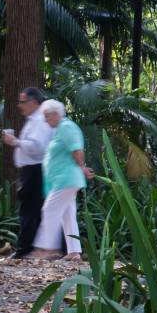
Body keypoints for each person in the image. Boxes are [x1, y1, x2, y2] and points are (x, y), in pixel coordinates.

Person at [31, 100, 92, 262]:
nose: (45, 120)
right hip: (63, 179)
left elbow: (77, 149)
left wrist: (82, 168)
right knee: (67, 215)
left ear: (55, 114)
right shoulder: (60, 129)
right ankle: (74, 252)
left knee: (50, 210)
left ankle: (48, 249)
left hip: (67, 179)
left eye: (47, 116)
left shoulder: (66, 127)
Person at [1, 87, 53, 259]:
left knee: (29, 209)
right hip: (32, 169)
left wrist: (15, 141)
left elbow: (37, 147)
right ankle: (31, 248)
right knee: (32, 208)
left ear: (33, 102)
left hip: (36, 169)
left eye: (22, 102)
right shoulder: (34, 119)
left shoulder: (39, 120)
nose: (19, 105)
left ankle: (25, 249)